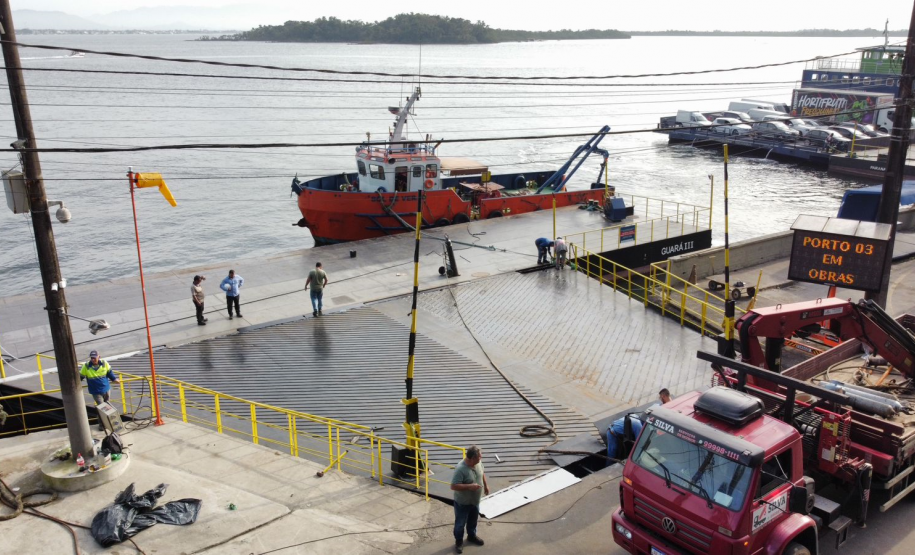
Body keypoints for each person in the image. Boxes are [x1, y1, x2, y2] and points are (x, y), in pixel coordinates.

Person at [606, 388, 672, 461]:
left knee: (617, 451)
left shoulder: (639, 416)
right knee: (612, 454)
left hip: (617, 430)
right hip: (612, 433)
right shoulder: (638, 426)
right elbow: (639, 443)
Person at [450, 445, 489, 554]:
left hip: (475, 501)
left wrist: (486, 485)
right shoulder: (460, 469)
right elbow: (453, 486)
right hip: (463, 503)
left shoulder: (478, 463)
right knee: (460, 524)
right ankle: (459, 541)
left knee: (473, 520)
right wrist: (469, 486)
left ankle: (471, 536)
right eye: (479, 457)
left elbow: (482, 473)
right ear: (472, 458)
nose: (481, 459)